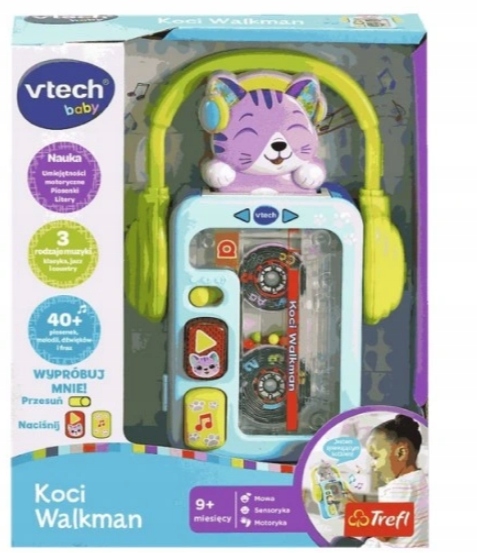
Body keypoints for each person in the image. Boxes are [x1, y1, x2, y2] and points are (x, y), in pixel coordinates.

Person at [329, 414, 428, 548]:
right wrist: (355, 505)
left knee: (338, 543)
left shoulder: (401, 486)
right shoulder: (421, 481)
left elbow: (385, 533)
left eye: (375, 457)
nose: (372, 464)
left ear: (401, 453)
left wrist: (350, 509)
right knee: (362, 536)